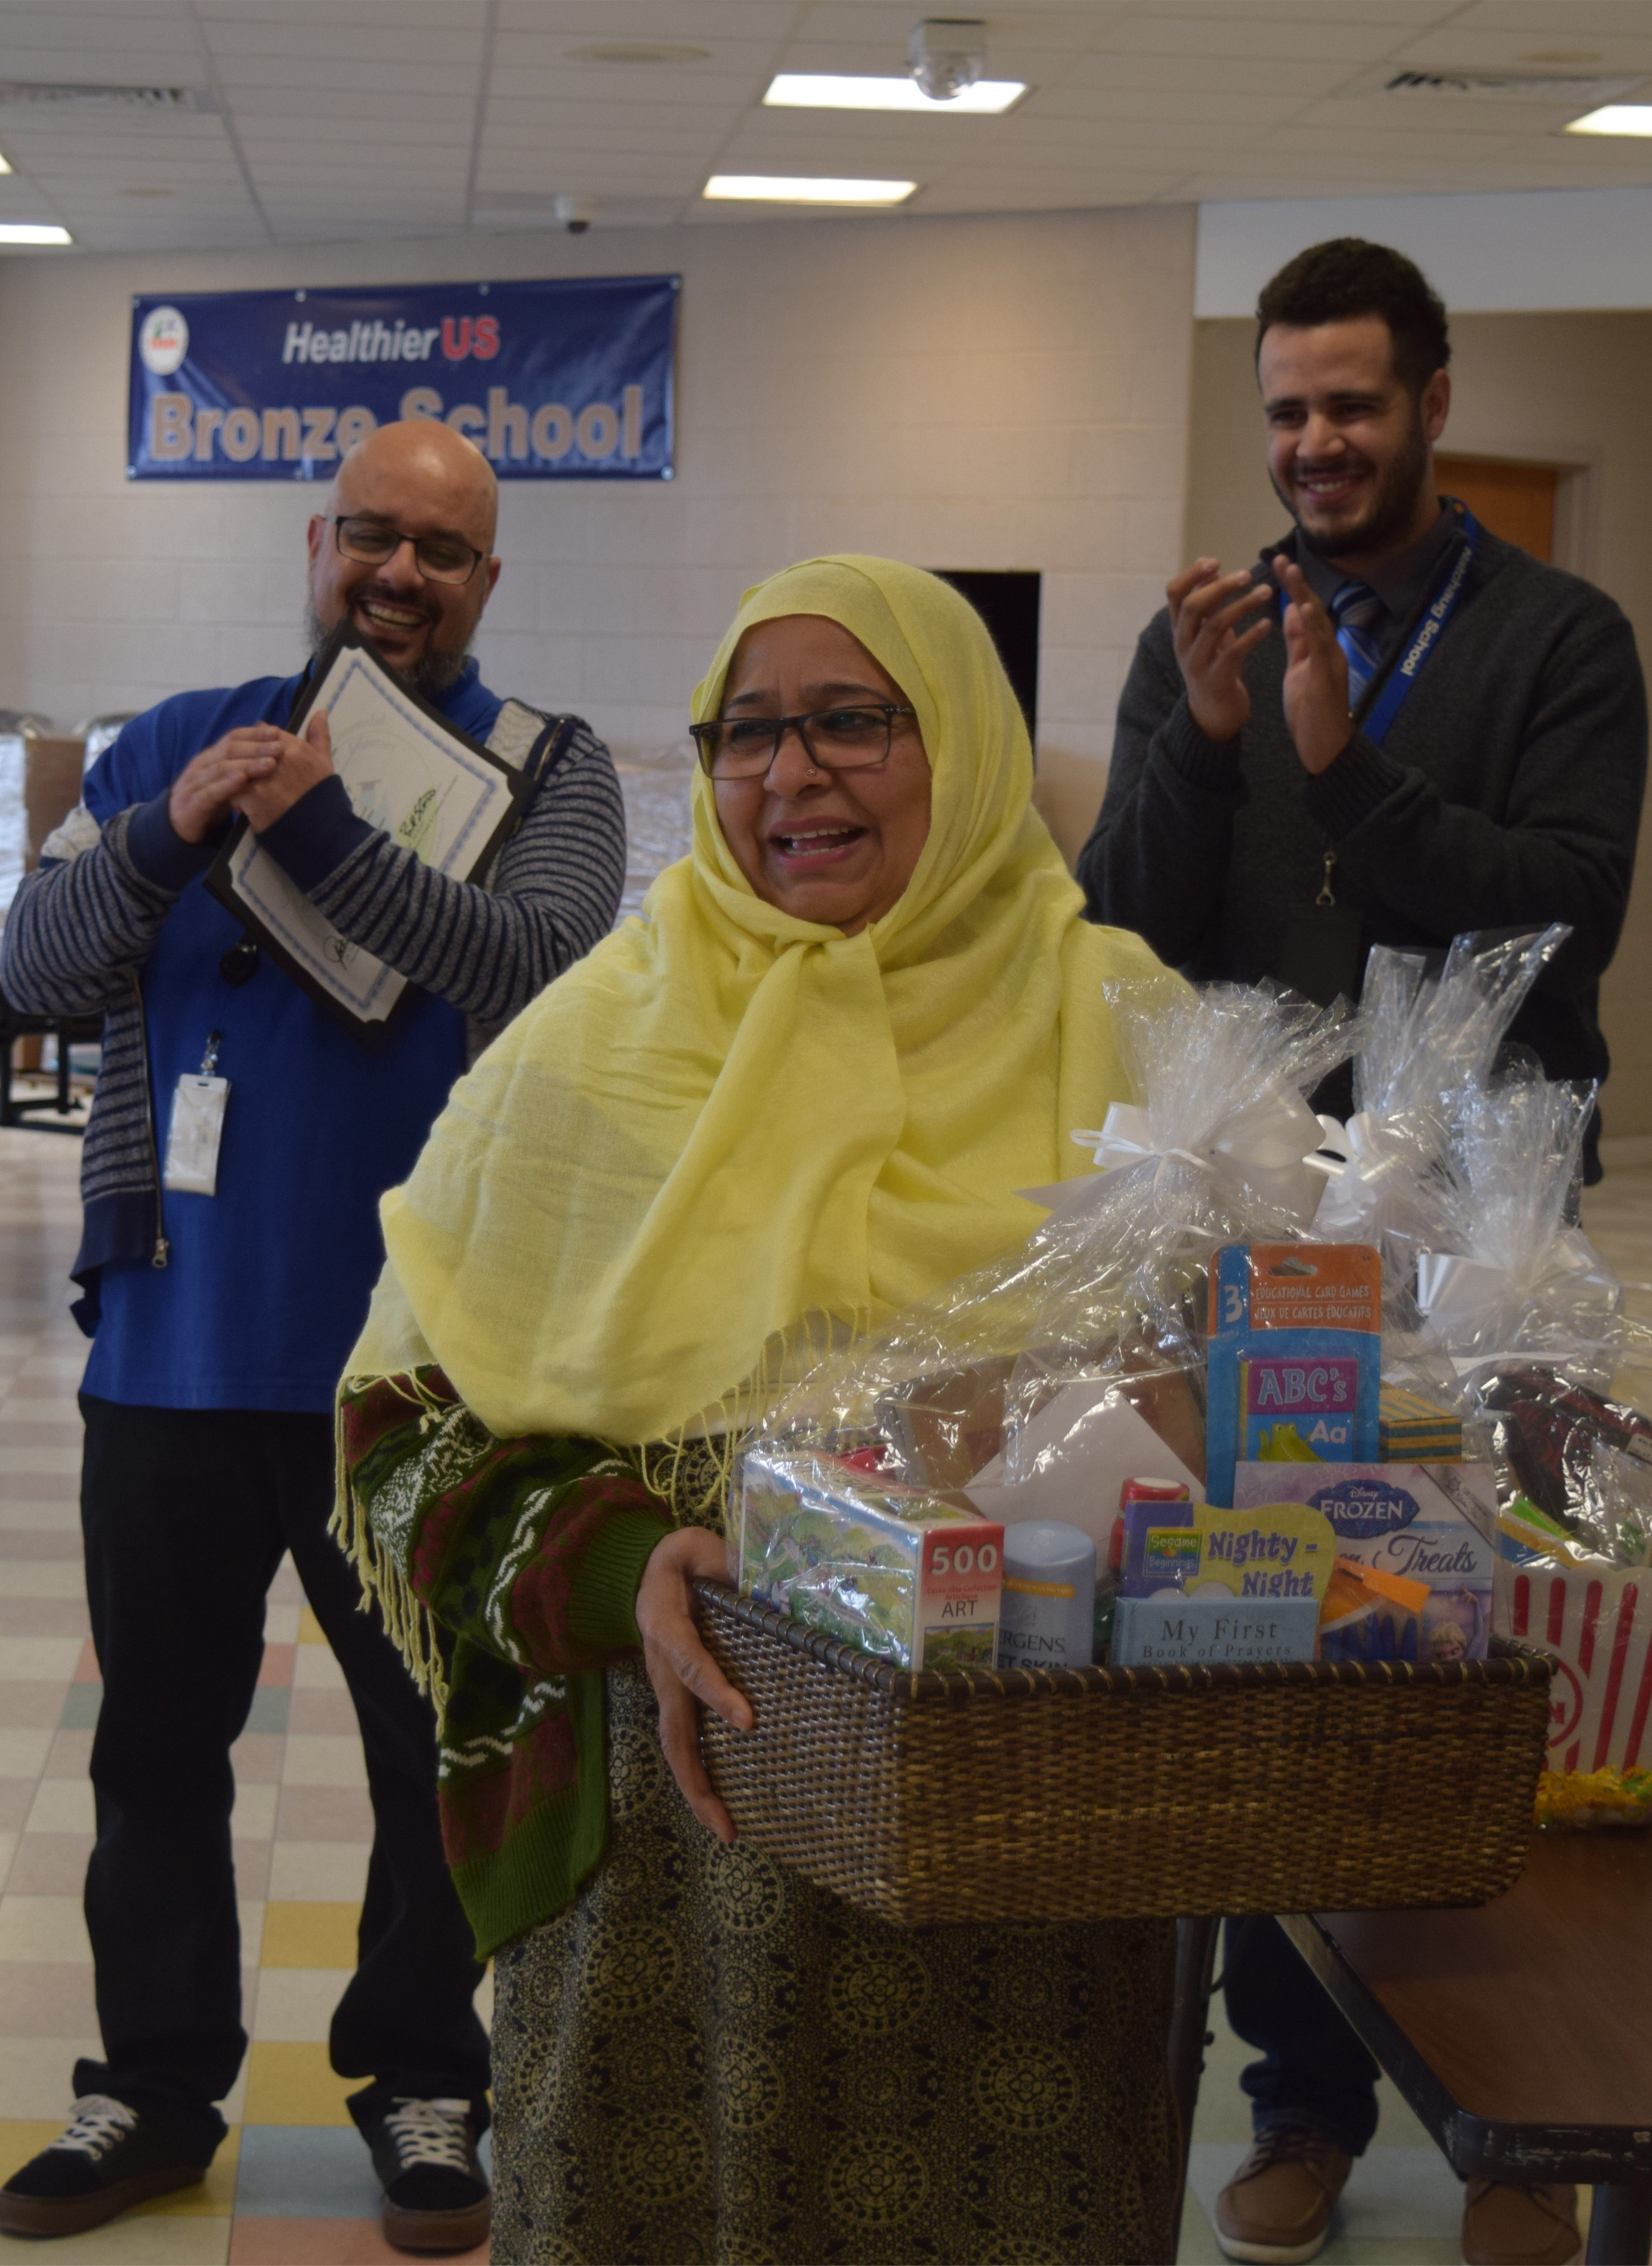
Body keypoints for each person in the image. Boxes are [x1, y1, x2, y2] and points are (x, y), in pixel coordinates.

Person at [338, 556, 1193, 2264]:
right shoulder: (589, 1046)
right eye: (746, 735)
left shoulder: (1129, 1026)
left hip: (1023, 1856)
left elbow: (1266, 1399)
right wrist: (618, 1567)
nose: (790, 777)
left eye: (852, 723)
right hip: (675, 1839)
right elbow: (396, 1430)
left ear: (959, 742)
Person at [0, 418, 625, 2252]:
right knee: (155, 1755)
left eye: (442, 551)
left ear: (486, 585)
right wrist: (171, 832)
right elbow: (34, 969)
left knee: (437, 1752)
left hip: (419, 1377)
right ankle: (155, 2091)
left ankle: (426, 2084)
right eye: (373, 536)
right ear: (318, 542)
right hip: (174, 1357)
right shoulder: (184, 738)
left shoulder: (549, 772)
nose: (400, 574)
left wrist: (326, 834)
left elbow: (538, 970)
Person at [1074, 238, 1646, 2266]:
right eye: (1287, 411)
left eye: (1352, 403)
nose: (1316, 444)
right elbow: (1122, 937)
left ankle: (1522, 2130)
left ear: (1429, 398)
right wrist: (1208, 737)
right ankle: (1300, 2099)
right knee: (1279, 1641)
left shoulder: (1560, 640)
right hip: (1258, 1249)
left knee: (1479, 1649)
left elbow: (1563, 915)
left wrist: (1338, 765)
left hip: (1485, 1244)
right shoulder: (1204, 631)